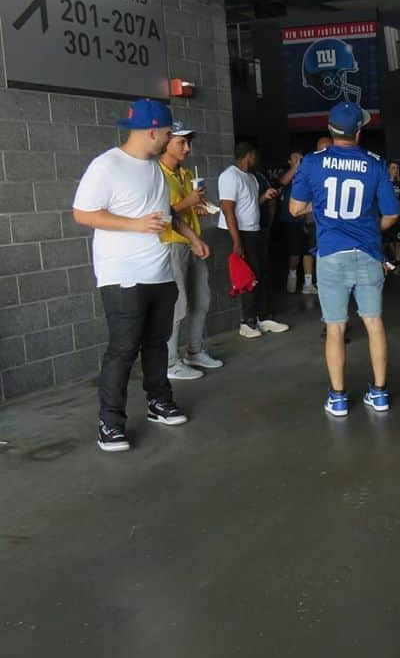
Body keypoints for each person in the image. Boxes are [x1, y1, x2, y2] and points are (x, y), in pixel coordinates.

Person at [73, 99, 211, 453]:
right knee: (123, 348)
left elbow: (163, 213)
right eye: (167, 133)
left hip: (160, 272)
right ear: (152, 131)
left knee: (157, 344)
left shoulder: (153, 169)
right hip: (122, 276)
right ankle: (110, 423)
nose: (169, 139)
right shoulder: (106, 166)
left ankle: (159, 403)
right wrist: (134, 224)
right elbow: (82, 213)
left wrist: (193, 237)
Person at [289, 102, 400, 416]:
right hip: (367, 254)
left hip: (331, 255)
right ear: (359, 132)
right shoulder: (375, 164)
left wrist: (321, 210)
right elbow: (392, 213)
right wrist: (367, 228)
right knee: (374, 323)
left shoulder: (312, 163)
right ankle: (379, 394)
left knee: (336, 328)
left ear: (330, 129)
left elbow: (295, 209)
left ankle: (338, 397)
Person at [158, 120, 223, 381]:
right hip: (172, 244)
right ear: (166, 143)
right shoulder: (157, 175)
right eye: (181, 142)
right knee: (177, 304)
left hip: (193, 241)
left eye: (188, 142)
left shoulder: (184, 174)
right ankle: (170, 362)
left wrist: (196, 206)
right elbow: (162, 214)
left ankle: (194, 351)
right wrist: (188, 202)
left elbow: (182, 209)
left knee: (201, 298)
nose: (187, 148)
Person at [219, 141, 289, 338]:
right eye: (255, 156)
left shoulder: (251, 178)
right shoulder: (230, 176)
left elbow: (249, 204)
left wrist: (264, 197)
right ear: (249, 155)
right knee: (248, 278)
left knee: (261, 274)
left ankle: (263, 317)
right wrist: (236, 241)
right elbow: (227, 209)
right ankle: (247, 322)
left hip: (254, 231)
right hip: (240, 233)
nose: (256, 160)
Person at [277, 146, 317, 295]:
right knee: (294, 252)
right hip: (290, 219)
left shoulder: (308, 174)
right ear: (289, 161)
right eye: (295, 157)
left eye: (301, 158)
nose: (299, 160)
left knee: (308, 250)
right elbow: (282, 181)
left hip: (306, 219)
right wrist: (296, 167)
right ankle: (292, 276)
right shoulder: (286, 173)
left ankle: (308, 283)